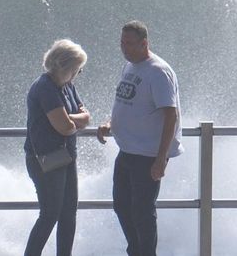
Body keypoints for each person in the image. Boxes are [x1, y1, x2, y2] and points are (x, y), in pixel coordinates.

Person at [97, 21, 182, 256]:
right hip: (127, 151)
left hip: (148, 155)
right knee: (121, 205)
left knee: (142, 212)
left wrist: (160, 158)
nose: (124, 48)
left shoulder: (158, 71)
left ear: (145, 43)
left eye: (130, 44)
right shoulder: (130, 65)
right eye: (122, 43)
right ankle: (136, 251)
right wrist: (110, 123)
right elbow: (129, 102)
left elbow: (170, 115)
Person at [23, 39, 90, 256]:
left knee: (69, 213)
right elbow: (65, 128)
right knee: (50, 213)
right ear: (66, 67)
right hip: (45, 158)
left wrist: (69, 118)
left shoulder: (67, 86)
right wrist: (70, 122)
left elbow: (85, 116)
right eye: (78, 70)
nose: (78, 74)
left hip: (66, 156)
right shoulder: (45, 87)